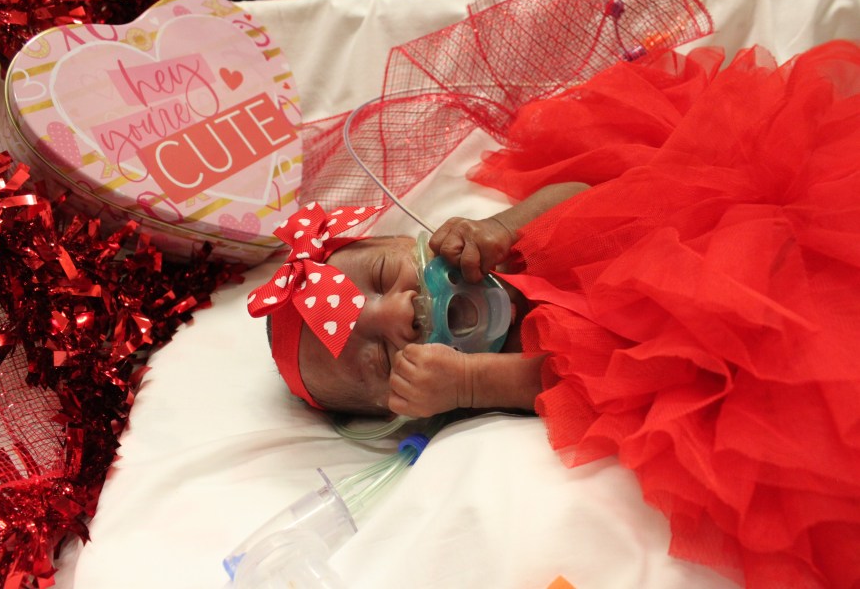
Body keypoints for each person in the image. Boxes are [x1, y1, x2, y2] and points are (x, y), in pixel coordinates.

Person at [248, 40, 860, 588]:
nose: (399, 317)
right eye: (381, 360)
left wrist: (503, 226)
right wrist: (467, 384)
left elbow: (594, 199)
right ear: (396, 409)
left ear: (396, 242)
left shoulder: (492, 248)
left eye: (382, 279)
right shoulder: (483, 376)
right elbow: (583, 385)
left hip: (713, 240)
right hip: (705, 349)